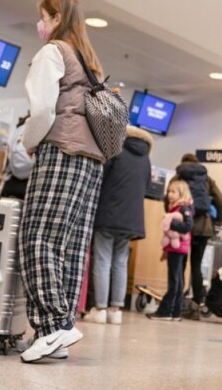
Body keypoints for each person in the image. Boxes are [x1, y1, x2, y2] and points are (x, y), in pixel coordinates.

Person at [17, 0, 107, 363]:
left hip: (61, 151)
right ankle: (57, 332)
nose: (40, 24)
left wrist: (28, 142)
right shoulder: (90, 61)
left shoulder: (53, 51)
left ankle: (54, 324)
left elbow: (41, 110)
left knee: (37, 237)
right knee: (69, 244)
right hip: (93, 159)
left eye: (42, 17)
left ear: (55, 17)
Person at [87, 126, 153, 325]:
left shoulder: (115, 148)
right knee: (120, 262)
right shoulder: (146, 158)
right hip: (131, 218)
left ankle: (100, 309)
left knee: (103, 260)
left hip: (108, 213)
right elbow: (148, 187)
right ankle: (116, 310)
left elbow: (99, 178)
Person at [173, 153, 222, 317]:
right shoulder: (206, 178)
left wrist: (171, 218)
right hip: (203, 227)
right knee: (196, 265)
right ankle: (197, 303)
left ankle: (177, 300)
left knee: (180, 264)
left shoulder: (178, 176)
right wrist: (218, 221)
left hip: (182, 225)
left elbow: (167, 198)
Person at [147, 180, 194, 322]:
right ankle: (176, 312)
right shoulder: (175, 208)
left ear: (182, 193)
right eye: (169, 191)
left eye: (173, 192)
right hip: (176, 248)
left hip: (178, 248)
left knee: (174, 280)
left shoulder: (182, 208)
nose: (169, 194)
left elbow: (187, 226)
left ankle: (166, 311)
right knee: (177, 280)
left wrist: (169, 221)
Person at [0, 115, 33, 200]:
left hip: (19, 186)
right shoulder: (25, 129)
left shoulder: (24, 128)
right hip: (16, 187)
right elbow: (21, 162)